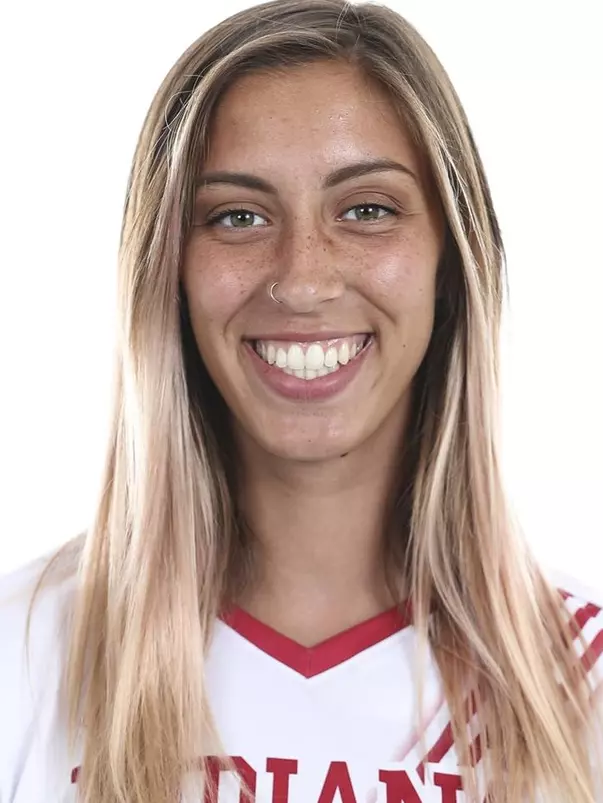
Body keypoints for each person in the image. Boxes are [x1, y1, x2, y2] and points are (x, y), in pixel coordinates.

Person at [1, 0, 602, 801]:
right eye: (237, 216)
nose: (303, 279)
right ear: (168, 272)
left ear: (449, 262)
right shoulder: (25, 651)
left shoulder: (580, 677)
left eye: (366, 210)